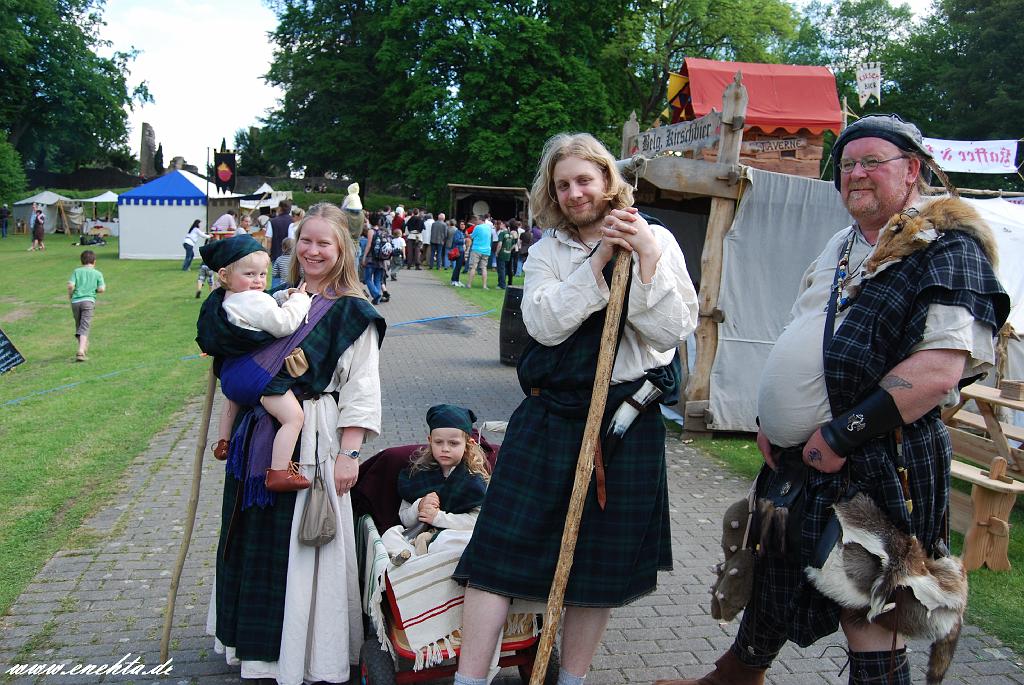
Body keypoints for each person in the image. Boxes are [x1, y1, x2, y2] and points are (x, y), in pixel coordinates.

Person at [658, 115, 1010, 685]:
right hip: (802, 455)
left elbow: (941, 370)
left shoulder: (948, 249)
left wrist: (840, 435)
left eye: (872, 162)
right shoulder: (841, 245)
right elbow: (803, 329)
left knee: (870, 603)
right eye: (846, 165)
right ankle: (734, 679)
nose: (856, 174)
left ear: (912, 170)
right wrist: (777, 421)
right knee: (773, 568)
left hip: (879, 456)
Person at [452, 132, 699, 685]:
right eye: (563, 184)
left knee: (596, 564)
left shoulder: (656, 237)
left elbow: (669, 330)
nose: (574, 193)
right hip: (549, 416)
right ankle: (470, 679)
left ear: (609, 180)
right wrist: (601, 260)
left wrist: (645, 255)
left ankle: (573, 678)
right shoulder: (546, 251)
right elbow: (542, 325)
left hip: (623, 420)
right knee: (496, 552)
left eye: (584, 180)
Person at [204, 204, 385, 685]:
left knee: (303, 543)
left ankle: (305, 654)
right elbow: (231, 347)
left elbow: (362, 390)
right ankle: (256, 647)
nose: (313, 250)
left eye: (324, 242)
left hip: (316, 437)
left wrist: (350, 456)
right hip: (256, 436)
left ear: (342, 248)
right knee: (255, 538)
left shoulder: (354, 313)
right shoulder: (274, 298)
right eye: (306, 240)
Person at [198, 236, 314, 492]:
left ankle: (223, 442)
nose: (258, 281)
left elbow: (265, 301)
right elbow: (283, 323)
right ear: (225, 274)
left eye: (262, 274)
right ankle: (279, 472)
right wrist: (300, 300)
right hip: (257, 377)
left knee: (231, 400)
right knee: (294, 417)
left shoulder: (227, 298)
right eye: (250, 274)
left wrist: (283, 294)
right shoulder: (252, 300)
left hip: (231, 376)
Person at [381, 404, 490, 566]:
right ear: (430, 441)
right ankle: (409, 560)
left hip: (450, 538)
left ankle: (422, 555)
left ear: (468, 444)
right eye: (439, 442)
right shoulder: (417, 474)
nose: (445, 449)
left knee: (459, 539)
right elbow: (404, 517)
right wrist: (419, 506)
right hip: (415, 537)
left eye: (453, 443)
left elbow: (476, 521)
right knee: (390, 535)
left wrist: (438, 518)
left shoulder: (474, 479)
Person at [67, 249, 106, 361]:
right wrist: (95, 290)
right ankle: (80, 351)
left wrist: (70, 295)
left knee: (79, 325)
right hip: (88, 301)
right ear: (94, 262)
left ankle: (83, 347)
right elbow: (102, 289)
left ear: (81, 261)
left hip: (75, 302)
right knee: (84, 326)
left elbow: (70, 286)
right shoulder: (98, 273)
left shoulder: (77, 271)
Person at [361, 216, 388, 304]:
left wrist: (364, 257)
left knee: (368, 278)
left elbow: (369, 245)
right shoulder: (383, 231)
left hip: (371, 259)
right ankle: (377, 299)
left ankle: (376, 295)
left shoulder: (371, 231)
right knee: (377, 279)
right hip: (381, 259)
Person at [463, 215, 492, 290]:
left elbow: (472, 236)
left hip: (477, 249)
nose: (476, 221)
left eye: (477, 220)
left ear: (481, 220)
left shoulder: (477, 227)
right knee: (484, 268)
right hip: (486, 250)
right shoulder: (489, 228)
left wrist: (467, 235)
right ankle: (484, 286)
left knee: (473, 267)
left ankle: (469, 284)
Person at [495, 219, 517, 289]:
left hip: (502, 253)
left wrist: (497, 252)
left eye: (501, 224)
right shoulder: (510, 234)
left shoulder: (502, 233)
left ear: (504, 225)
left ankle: (501, 284)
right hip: (508, 254)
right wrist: (509, 250)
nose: (500, 225)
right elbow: (514, 244)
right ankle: (503, 283)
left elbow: (500, 244)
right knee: (506, 269)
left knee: (501, 269)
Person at [450, 221, 467, 287]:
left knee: (459, 266)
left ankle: (457, 280)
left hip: (461, 250)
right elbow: (456, 240)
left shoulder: (461, 232)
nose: (463, 225)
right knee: (457, 266)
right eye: (461, 224)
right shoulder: (457, 232)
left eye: (464, 224)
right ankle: (454, 280)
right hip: (458, 251)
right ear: (458, 225)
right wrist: (464, 240)